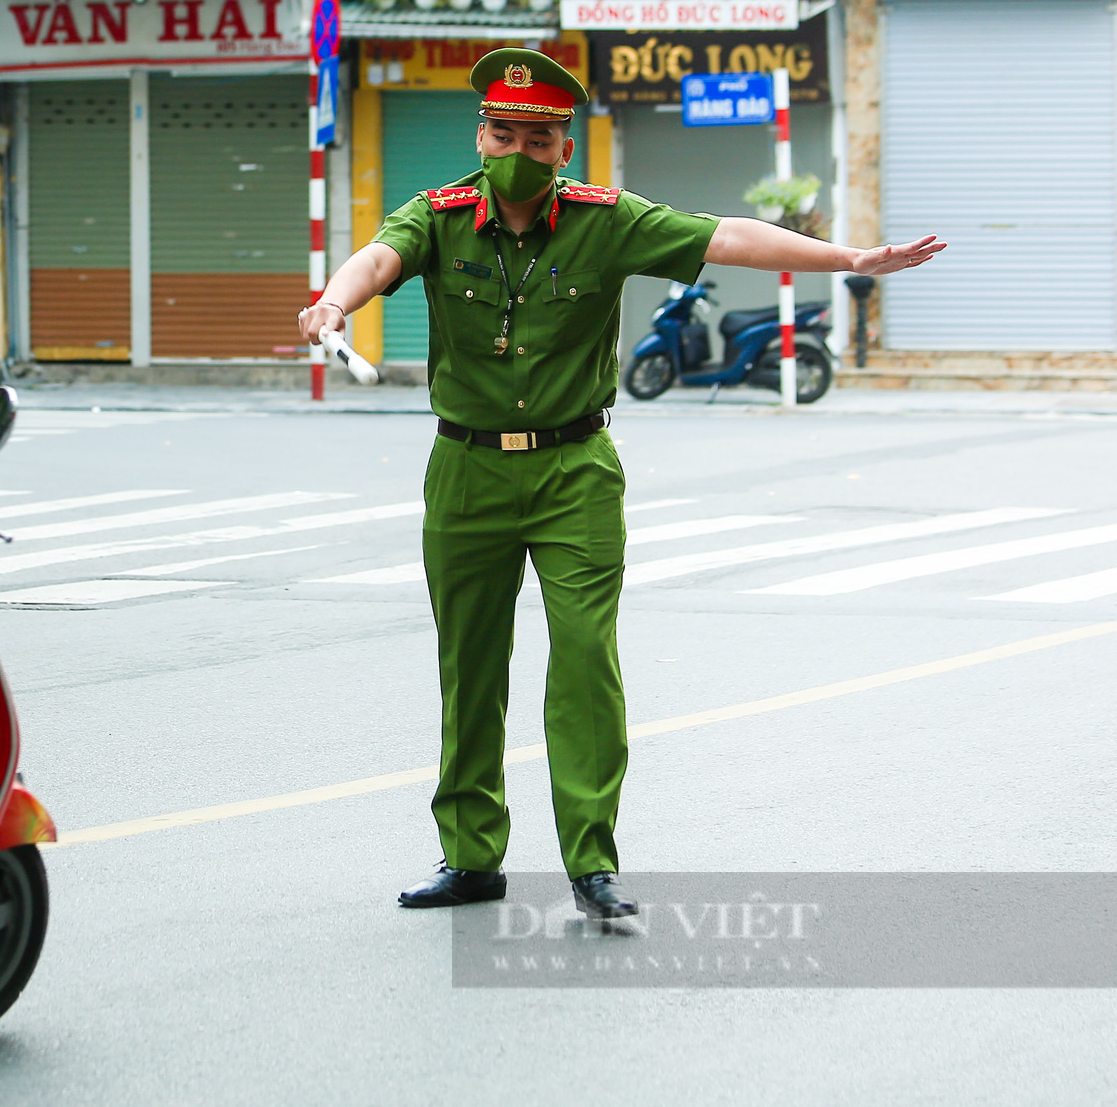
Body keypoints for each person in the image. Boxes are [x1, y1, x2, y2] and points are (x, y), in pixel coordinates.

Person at [297, 49, 943, 917]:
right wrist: (334, 304)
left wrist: (851, 259)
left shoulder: (607, 220)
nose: (516, 152)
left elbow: (727, 235)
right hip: (467, 469)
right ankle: (471, 855)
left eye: (537, 138)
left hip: (575, 471)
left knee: (585, 662)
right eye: (502, 134)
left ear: (566, 148)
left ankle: (591, 862)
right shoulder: (441, 215)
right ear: (478, 134)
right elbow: (377, 258)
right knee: (470, 666)